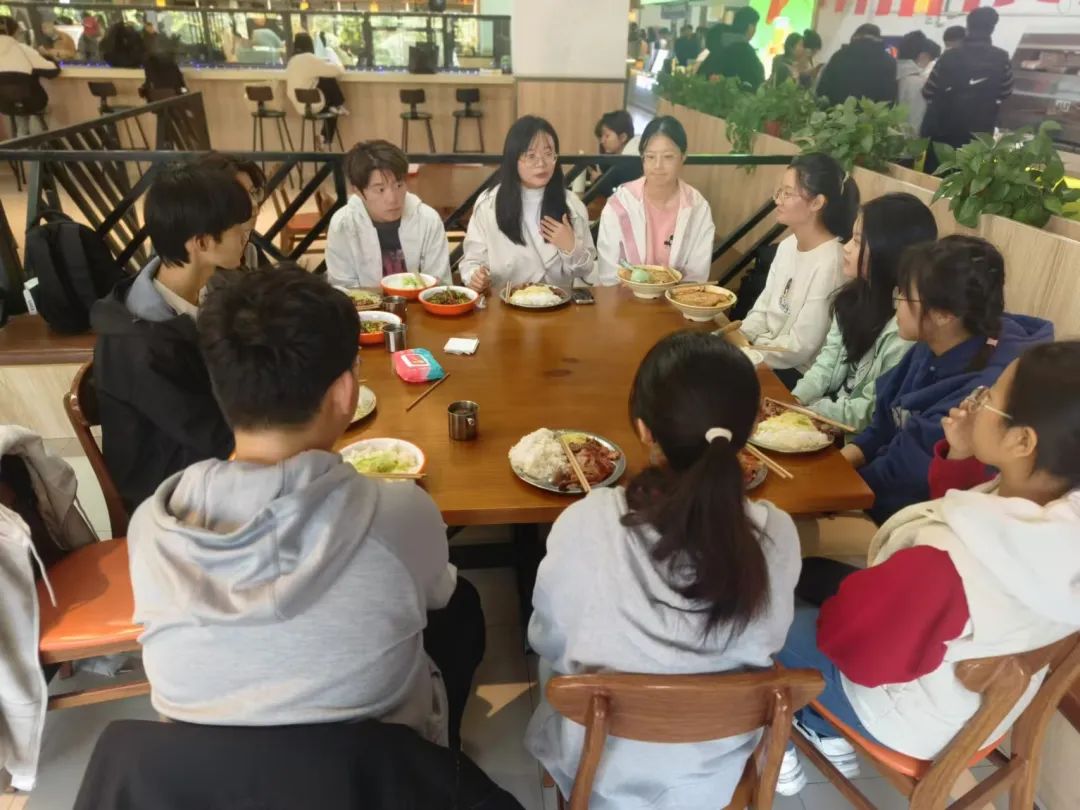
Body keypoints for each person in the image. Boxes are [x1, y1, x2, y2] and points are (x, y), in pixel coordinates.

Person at [127, 267, 486, 749]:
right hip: (371, 770)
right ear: (344, 392)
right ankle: (447, 757)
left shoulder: (151, 526)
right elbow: (436, 594)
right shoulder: (399, 514)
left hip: (212, 772)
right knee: (461, 607)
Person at [775, 340, 1080, 796]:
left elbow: (862, 658)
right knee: (816, 574)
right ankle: (820, 721)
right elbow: (984, 525)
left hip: (909, 718)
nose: (975, 403)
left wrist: (855, 600)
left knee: (765, 616)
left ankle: (805, 730)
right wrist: (960, 456)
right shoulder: (1054, 515)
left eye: (989, 396)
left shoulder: (945, 563)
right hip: (984, 710)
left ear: (1022, 441)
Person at [526, 332, 801, 809]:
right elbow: (769, 642)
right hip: (712, 780)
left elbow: (545, 639)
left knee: (554, 658)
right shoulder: (778, 535)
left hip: (600, 772)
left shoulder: (587, 520)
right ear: (749, 429)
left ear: (644, 430)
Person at [841, 236, 1053, 524]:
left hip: (911, 515)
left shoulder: (980, 389)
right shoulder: (935, 342)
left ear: (943, 315)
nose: (896, 305)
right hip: (877, 492)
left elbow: (904, 478)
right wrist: (840, 463)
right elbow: (883, 426)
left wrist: (832, 488)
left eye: (904, 296)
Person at [91, 163, 253, 512]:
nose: (246, 236)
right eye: (238, 229)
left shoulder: (209, 285)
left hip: (213, 452)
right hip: (170, 496)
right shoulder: (141, 343)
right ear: (202, 242)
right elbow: (214, 438)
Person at [792, 194, 935, 432]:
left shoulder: (906, 329)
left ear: (888, 252)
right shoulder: (853, 298)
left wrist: (812, 412)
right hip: (826, 417)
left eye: (857, 241)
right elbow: (826, 364)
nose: (846, 248)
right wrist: (796, 399)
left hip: (853, 436)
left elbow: (871, 410)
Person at [739, 153, 859, 387]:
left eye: (788, 193)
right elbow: (762, 310)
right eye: (779, 191)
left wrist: (749, 355)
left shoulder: (831, 262)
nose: (778, 200)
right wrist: (741, 337)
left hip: (795, 371)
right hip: (762, 354)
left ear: (817, 203)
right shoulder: (787, 245)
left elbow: (801, 347)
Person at [460, 116, 595, 292]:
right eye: (531, 156)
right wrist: (476, 277)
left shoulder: (572, 205)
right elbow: (471, 262)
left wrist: (571, 247)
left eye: (548, 154)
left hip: (557, 303)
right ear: (513, 159)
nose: (541, 164)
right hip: (504, 302)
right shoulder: (489, 204)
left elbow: (586, 271)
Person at [596, 116, 716, 284]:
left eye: (668, 157)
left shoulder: (698, 207)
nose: (658, 166)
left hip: (676, 298)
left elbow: (697, 275)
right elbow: (609, 272)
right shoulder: (620, 204)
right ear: (642, 158)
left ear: (683, 157)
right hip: (625, 296)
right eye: (651, 157)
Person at [326, 140, 451, 288]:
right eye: (380, 189)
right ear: (358, 191)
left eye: (399, 185)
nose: (392, 199)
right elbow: (342, 287)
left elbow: (440, 284)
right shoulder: (343, 224)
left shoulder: (428, 219)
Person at [922, 7, 1013, 173]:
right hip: (978, 137)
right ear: (992, 28)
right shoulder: (1002, 59)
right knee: (966, 182)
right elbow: (1005, 92)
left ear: (968, 26)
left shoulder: (948, 57)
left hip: (943, 134)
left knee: (933, 179)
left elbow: (928, 91)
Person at [196, 152, 267, 269]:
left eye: (254, 193)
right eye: (239, 198)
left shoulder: (250, 251)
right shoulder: (198, 270)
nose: (255, 207)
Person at [0, 16, 58, 137]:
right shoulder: (23, 49)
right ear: (14, 31)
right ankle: (38, 143)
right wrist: (47, 56)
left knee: (19, 112)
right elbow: (52, 72)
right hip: (33, 102)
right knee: (40, 110)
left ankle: (22, 143)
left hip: (5, 104)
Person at [286, 32, 346, 147]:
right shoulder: (309, 59)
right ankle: (338, 105)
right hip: (315, 105)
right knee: (327, 78)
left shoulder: (292, 61)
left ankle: (324, 136)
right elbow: (338, 71)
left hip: (300, 107)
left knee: (330, 106)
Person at [817, 23, 897, 107]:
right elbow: (889, 96)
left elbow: (822, 90)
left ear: (854, 36)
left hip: (837, 112)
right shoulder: (889, 61)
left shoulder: (838, 56)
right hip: (872, 114)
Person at [697, 9, 765, 90]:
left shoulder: (718, 45)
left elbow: (701, 75)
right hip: (735, 96)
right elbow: (755, 81)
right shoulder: (745, 52)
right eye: (755, 26)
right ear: (750, 27)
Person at [588, 109, 643, 200]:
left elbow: (619, 195)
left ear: (623, 137)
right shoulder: (624, 156)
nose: (602, 141)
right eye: (601, 137)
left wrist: (599, 180)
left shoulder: (631, 159)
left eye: (607, 136)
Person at [895, 31, 941, 133]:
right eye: (930, 60)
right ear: (923, 56)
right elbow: (916, 122)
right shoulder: (918, 84)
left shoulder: (890, 73)